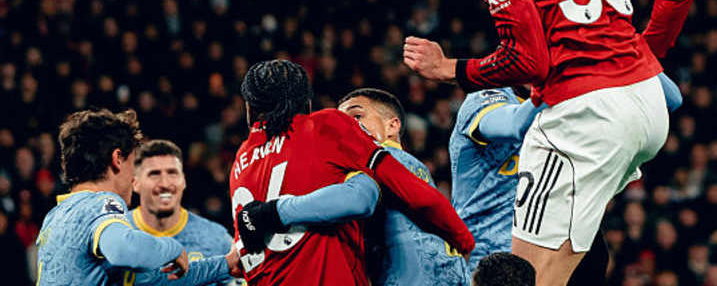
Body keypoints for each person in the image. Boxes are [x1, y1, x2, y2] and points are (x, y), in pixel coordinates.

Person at [404, 0, 698, 285]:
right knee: (566, 269)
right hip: (647, 108)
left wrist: (452, 69)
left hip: (583, 117)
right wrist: (639, 58)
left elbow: (528, 61)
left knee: (518, 278)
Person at [230, 60, 473, 286]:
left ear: (249, 109)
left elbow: (238, 260)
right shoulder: (324, 126)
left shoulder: (240, 162)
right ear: (307, 104)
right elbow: (405, 188)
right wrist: (463, 238)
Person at [450, 75, 682, 277]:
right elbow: (515, 124)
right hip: (485, 258)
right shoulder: (486, 98)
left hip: (547, 250)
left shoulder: (567, 105)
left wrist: (612, 38)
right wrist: (561, 83)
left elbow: (670, 99)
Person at [35, 108, 219, 286]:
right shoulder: (101, 203)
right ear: (117, 159)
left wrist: (226, 264)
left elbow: (159, 279)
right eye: (133, 164)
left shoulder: (55, 217)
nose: (134, 177)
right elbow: (123, 249)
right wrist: (172, 247)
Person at [337, 87, 470, 286]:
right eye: (338, 121)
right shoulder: (413, 166)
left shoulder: (380, 162)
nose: (345, 126)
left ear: (392, 126)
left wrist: (282, 209)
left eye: (356, 116)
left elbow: (347, 202)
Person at [130, 139, 242, 285]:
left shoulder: (217, 239)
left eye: (172, 173)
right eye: (154, 174)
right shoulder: (118, 234)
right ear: (135, 183)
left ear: (183, 180)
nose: (165, 184)